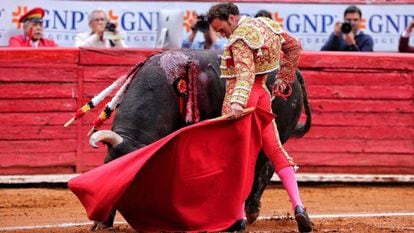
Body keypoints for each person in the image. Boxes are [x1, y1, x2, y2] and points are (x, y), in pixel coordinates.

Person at [207, 3, 312, 233]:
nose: (221, 34)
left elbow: (244, 75)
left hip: (242, 99)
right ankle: (299, 207)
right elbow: (294, 46)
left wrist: (237, 103)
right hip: (264, 95)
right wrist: (284, 77)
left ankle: (237, 218)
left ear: (232, 18)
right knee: (275, 150)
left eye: (221, 28)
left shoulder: (239, 38)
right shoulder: (267, 25)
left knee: (239, 158)